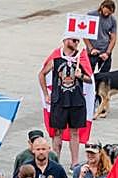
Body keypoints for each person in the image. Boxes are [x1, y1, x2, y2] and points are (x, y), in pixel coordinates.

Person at [39, 37, 92, 167]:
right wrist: (46, 94)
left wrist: (81, 76)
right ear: (65, 40)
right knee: (57, 133)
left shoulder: (81, 57)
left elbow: (90, 79)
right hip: (59, 101)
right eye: (73, 40)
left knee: (75, 132)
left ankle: (74, 163)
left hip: (77, 101)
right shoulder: (56, 58)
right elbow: (41, 74)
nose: (76, 43)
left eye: (77, 41)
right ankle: (55, 162)